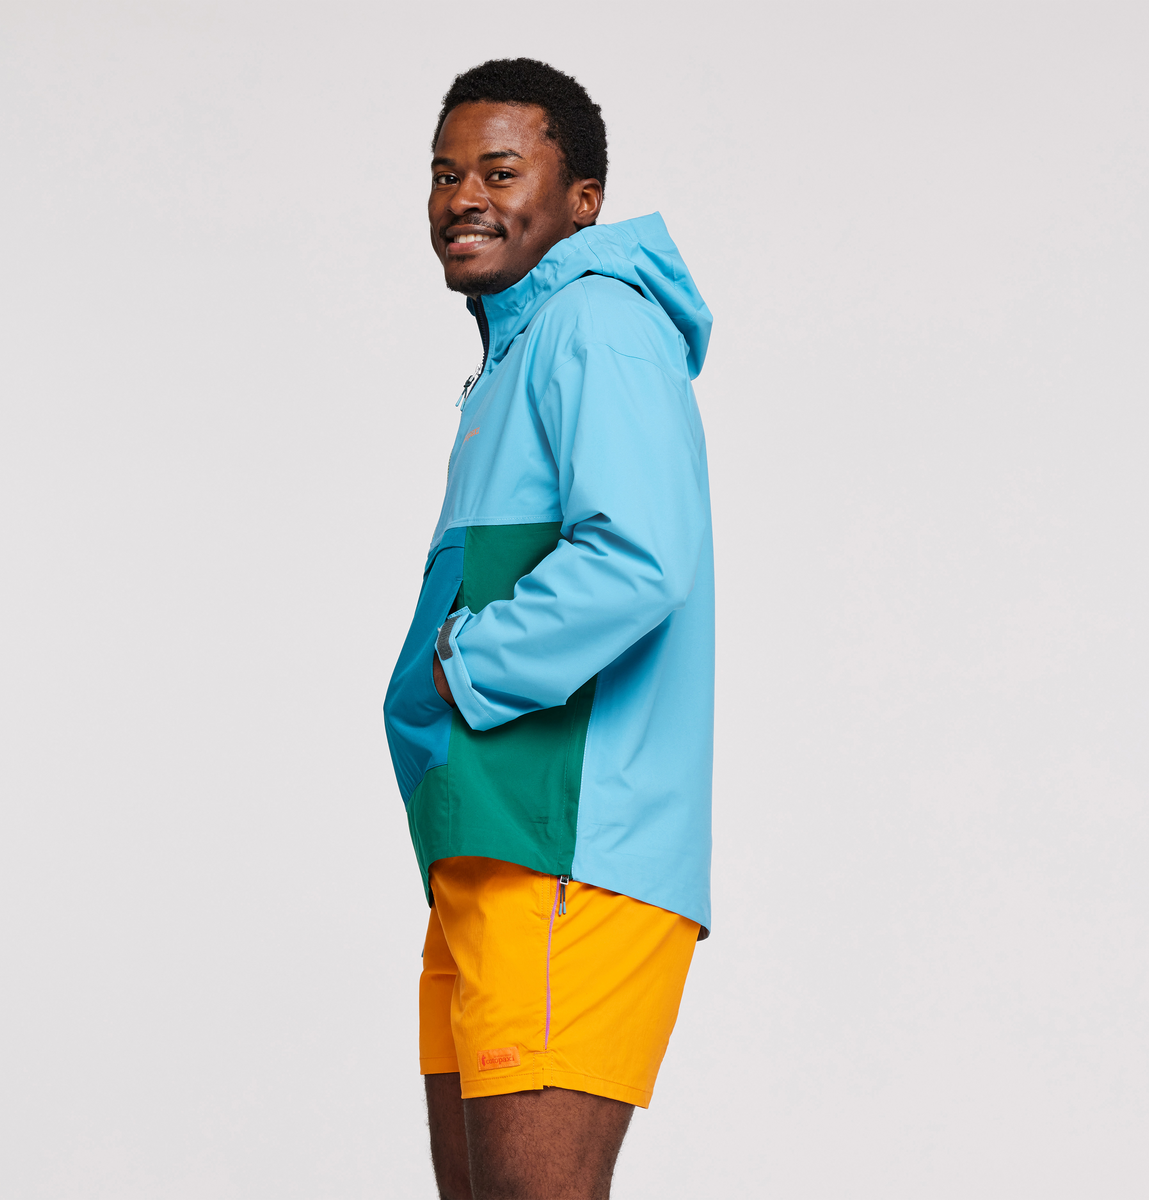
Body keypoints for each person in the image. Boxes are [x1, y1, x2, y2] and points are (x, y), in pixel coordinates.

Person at [382, 57, 714, 1200]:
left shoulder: (596, 323)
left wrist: (464, 666)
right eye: (445, 173)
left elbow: (641, 558)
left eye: (499, 170)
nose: (463, 196)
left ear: (582, 200)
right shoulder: (517, 355)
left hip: (567, 854)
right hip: (492, 851)